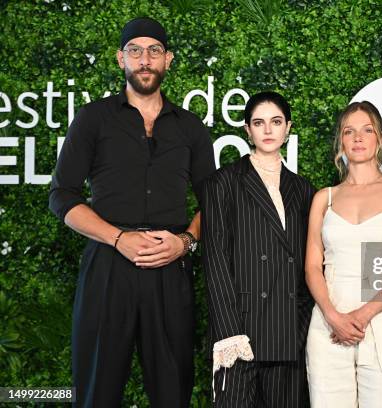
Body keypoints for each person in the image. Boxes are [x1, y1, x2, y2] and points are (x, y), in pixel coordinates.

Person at [48, 17, 215, 407]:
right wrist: (119, 239)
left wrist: (185, 242)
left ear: (168, 60)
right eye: (135, 51)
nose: (145, 60)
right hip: (108, 266)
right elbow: (62, 196)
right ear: (120, 58)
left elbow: (215, 202)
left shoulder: (191, 128)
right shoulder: (93, 119)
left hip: (170, 269)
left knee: (172, 392)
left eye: (154, 51)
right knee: (95, 392)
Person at [201, 91, 315, 407]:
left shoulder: (304, 189)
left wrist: (302, 323)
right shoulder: (222, 182)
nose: (268, 130)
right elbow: (215, 260)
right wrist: (229, 334)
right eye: (259, 122)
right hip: (240, 333)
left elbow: (310, 262)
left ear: (288, 127)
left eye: (276, 122)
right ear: (247, 130)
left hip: (288, 329)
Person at [305, 101, 382, 407]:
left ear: (380, 138)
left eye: (366, 130)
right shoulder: (323, 199)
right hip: (329, 323)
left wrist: (361, 316)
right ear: (341, 140)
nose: (358, 138)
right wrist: (334, 316)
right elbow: (312, 267)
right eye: (349, 131)